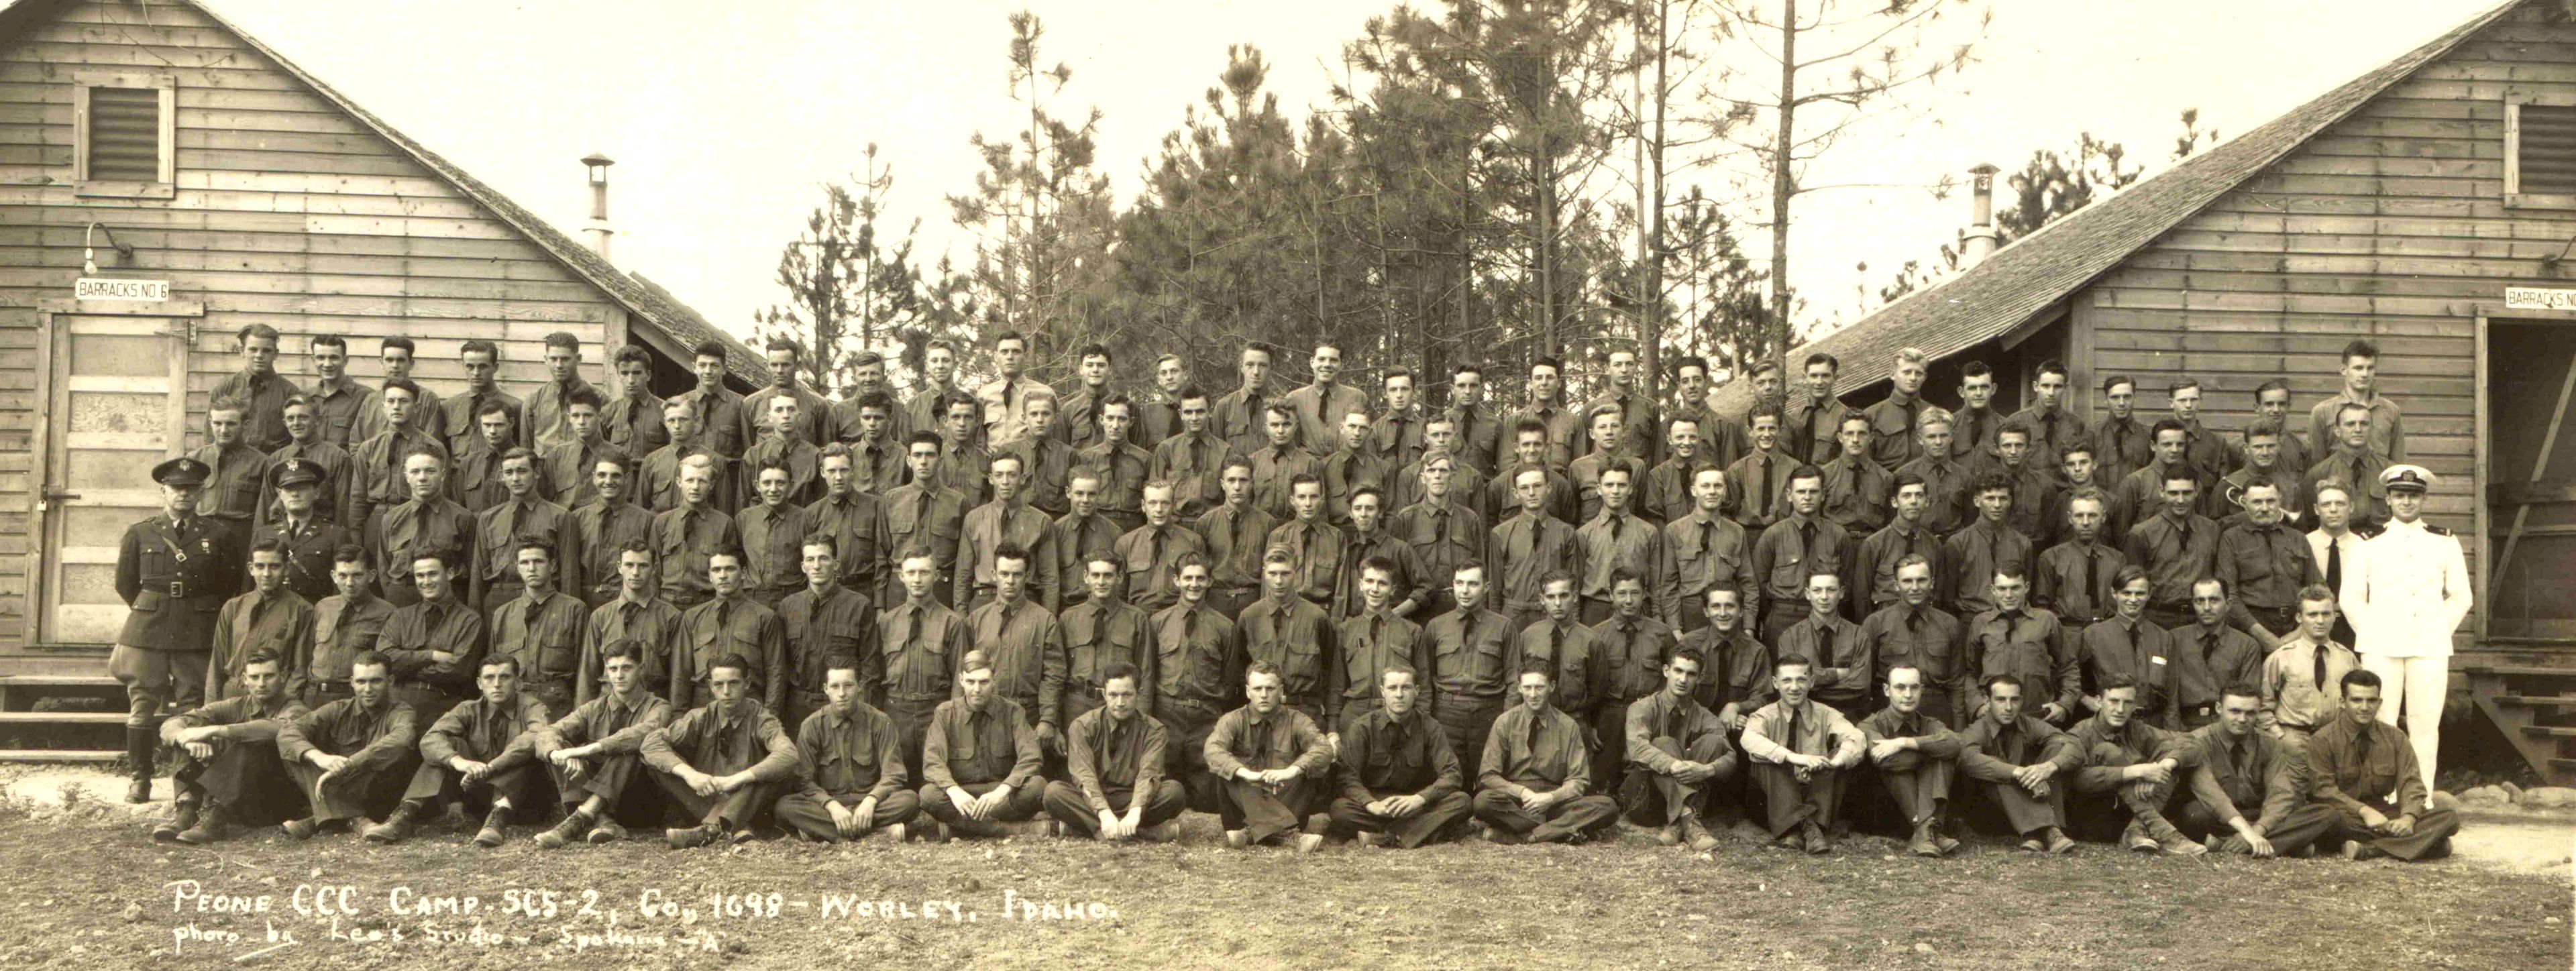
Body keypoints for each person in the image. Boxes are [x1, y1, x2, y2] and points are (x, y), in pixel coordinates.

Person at [2340, 464, 2471, 797]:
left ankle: (2420, 797)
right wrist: (2372, 632)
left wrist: (2438, 630)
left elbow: (2461, 595)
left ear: (2424, 498)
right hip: (2381, 645)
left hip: (2430, 646)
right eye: (2400, 495)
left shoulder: (2444, 541)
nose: (2407, 502)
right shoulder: (2369, 542)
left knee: (2425, 725)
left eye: (2414, 495)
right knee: (2379, 722)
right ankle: (2381, 795)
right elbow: (2351, 597)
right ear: (2388, 499)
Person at [370, 656, 554, 846]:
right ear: (479, 683)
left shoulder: (533, 707)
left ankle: (498, 818)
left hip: (525, 803)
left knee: (522, 752)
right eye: (489, 678)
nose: (497, 684)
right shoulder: (469, 709)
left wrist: (490, 768)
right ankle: (405, 814)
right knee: (447, 746)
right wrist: (460, 762)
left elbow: (535, 737)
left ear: (518, 682)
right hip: (480, 799)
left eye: (504, 677)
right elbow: (431, 739)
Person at [153, 650, 309, 844]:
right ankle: (188, 810)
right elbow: (174, 723)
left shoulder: (296, 709)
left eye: (269, 676)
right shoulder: (235, 705)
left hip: (275, 801)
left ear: (283, 677)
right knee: (186, 736)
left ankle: (215, 821)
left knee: (249, 743)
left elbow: (276, 728)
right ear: (245, 679)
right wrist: (187, 739)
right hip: (239, 798)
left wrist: (217, 730)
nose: (261, 684)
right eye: (255, 677)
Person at [644, 653, 799, 848]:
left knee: (773, 772)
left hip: (748, 801)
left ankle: (711, 830)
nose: (726, 691)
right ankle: (735, 827)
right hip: (707, 797)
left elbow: (788, 754)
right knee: (657, 764)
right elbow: (651, 743)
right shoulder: (701, 717)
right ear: (710, 686)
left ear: (747, 683)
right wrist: (690, 775)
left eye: (734, 683)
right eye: (719, 684)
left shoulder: (762, 719)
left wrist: (737, 779)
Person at [2307, 670, 2461, 861]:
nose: (2364, 707)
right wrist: (2364, 811)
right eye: (2356, 700)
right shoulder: (2323, 739)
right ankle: (2426, 845)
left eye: (2371, 701)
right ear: (2342, 702)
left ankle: (2371, 850)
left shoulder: (2395, 738)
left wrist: (2408, 818)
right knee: (2326, 818)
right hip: (2347, 815)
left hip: (2384, 812)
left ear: (2379, 703)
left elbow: (2411, 782)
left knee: (2448, 816)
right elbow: (2323, 791)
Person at [533, 640, 672, 848]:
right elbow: (548, 732)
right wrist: (559, 754)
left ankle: (582, 817)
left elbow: (644, 731)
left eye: (627, 668)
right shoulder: (593, 708)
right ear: (606, 672)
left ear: (641, 669)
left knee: (630, 747)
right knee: (559, 747)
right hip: (598, 793)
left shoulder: (659, 706)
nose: (619, 675)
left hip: (638, 802)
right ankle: (602, 820)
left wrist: (589, 749)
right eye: (613, 669)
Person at [2182, 684, 2339, 857]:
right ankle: (2285, 845)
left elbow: (2281, 794)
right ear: (2219, 709)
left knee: (2326, 813)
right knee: (2193, 814)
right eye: (2235, 711)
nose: (2242, 719)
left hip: (2259, 815)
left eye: (2250, 713)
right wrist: (2246, 830)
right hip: (2220, 817)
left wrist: (2255, 831)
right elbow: (2212, 795)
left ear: (2258, 713)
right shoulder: (2198, 742)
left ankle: (2231, 845)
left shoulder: (2270, 743)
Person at [1324, 665, 1472, 848]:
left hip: (1415, 805)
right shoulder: (1362, 727)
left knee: (1462, 801)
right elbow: (1348, 777)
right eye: (1393, 688)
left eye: (1406, 687)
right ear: (1382, 692)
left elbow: (1452, 774)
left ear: (1416, 691)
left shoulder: (1430, 727)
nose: (1399, 694)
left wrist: (1419, 799)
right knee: (1339, 809)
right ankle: (1415, 832)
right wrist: (1371, 804)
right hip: (1378, 803)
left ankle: (1385, 837)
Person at [276, 652, 419, 840]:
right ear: (352, 682)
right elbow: (288, 733)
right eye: (361, 682)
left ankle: (323, 818)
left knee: (382, 760)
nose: (367, 689)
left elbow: (402, 739)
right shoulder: (338, 709)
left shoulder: (401, 711)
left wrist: (351, 764)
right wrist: (320, 757)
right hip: (343, 790)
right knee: (296, 753)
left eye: (376, 681)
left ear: (390, 681)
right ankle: (355, 820)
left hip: (380, 795)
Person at [773, 659, 917, 844]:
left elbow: (894, 774)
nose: (842, 694)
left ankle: (824, 832)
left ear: (860, 687)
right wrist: (831, 805)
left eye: (848, 685)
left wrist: (871, 801)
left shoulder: (881, 722)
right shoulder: (812, 726)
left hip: (871, 804)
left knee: (910, 800)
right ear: (826, 689)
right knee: (785, 807)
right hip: (830, 804)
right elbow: (804, 780)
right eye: (835, 686)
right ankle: (879, 831)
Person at [1473, 664, 1619, 844]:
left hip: (1555, 801)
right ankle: (1558, 830)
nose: (1533, 695)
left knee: (1608, 807)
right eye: (1527, 687)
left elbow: (1579, 780)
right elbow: (1488, 775)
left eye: (1539, 687)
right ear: (1519, 688)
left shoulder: (1568, 726)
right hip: (1516, 802)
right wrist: (1522, 792)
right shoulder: (1505, 722)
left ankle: (1527, 836)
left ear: (1551, 686)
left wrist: (1551, 798)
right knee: (1483, 802)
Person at [1741, 654, 1867, 853]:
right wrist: (1794, 757)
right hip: (1771, 798)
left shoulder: (1826, 713)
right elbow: (1749, 739)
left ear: (1812, 682)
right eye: (1787, 680)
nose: (1794, 687)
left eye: (1801, 680)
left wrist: (1833, 763)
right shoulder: (1763, 715)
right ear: (1775, 683)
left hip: (1814, 794)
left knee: (1838, 756)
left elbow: (1856, 737)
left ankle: (1795, 831)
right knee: (1767, 758)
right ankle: (1808, 826)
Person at [2065, 677, 2206, 854]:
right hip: (2094, 818)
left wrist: (2163, 766)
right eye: (2114, 701)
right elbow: (2076, 779)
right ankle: (2164, 834)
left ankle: (2135, 832)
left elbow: (2192, 744)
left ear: (2134, 706)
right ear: (2099, 701)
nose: (2120, 710)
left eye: (2128, 703)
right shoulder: (2079, 734)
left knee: (2169, 767)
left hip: (2130, 815)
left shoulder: (2136, 729)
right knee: (2107, 750)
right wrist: (2133, 772)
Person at [1049, 663, 1186, 842]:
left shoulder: (1154, 730)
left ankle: (1090, 830)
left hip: (1133, 799)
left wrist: (1134, 813)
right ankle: (1143, 832)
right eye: (1114, 695)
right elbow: (1084, 776)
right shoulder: (1082, 726)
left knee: (1174, 792)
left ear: (1138, 694)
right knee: (1053, 793)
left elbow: (1148, 774)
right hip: (1093, 800)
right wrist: (1104, 814)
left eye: (1127, 695)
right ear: (1104, 695)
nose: (1120, 703)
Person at [917, 650, 1047, 839]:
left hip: (1001, 796)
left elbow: (1032, 757)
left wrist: (1001, 792)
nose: (977, 689)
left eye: (984, 682)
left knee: (1038, 786)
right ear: (961, 680)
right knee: (928, 795)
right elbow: (932, 762)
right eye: (971, 682)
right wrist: (955, 792)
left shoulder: (1013, 712)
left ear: (995, 679)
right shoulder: (945, 714)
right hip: (964, 795)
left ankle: (962, 827)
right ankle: (1013, 830)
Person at [1207, 663, 1336, 852]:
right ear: (1248, 691)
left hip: (1287, 800)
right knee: (1228, 769)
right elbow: (1212, 749)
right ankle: (1287, 835)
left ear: (1281, 691)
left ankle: (1251, 833)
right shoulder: (1232, 720)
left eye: (1270, 688)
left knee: (1310, 767)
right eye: (1258, 689)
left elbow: (1324, 748)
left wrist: (1291, 771)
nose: (1264, 694)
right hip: (1244, 806)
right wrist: (1248, 774)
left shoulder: (1298, 720)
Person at [1619, 649, 1737, 852]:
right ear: (1666, 671)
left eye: (1691, 674)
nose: (1683, 679)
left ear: (1699, 678)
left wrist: (1707, 770)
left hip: (1684, 794)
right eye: (1678, 671)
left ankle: (1678, 823)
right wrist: (1674, 765)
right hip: (1645, 797)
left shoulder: (1704, 716)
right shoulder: (1642, 707)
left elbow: (1731, 757)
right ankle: (1687, 818)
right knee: (1664, 743)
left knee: (1714, 742)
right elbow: (1638, 748)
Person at [1954, 675, 2080, 854]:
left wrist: (2048, 767)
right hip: (1991, 813)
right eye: (2000, 700)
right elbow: (1967, 759)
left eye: (2014, 700)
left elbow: (2073, 745)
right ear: (1987, 700)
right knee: (1996, 769)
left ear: (2021, 701)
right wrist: (2018, 772)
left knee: (2058, 747)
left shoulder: (2029, 724)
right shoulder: (1977, 729)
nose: (2008, 707)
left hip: (2031, 803)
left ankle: (2035, 833)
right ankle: (2049, 830)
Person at [969, 544, 1068, 766]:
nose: (1010, 581)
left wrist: (1048, 720)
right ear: (994, 575)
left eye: (1017, 574)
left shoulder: (1044, 620)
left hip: (1028, 715)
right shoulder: (976, 620)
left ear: (1027, 576)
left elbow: (1053, 675)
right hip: (987, 711)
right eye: (1004, 574)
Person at [881, 553, 972, 778]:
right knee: (898, 781)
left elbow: (960, 678)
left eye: (924, 572)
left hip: (935, 710)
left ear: (937, 576)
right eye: (911, 572)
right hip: (896, 711)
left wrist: (953, 719)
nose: (917, 579)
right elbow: (875, 673)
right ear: (901, 576)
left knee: (935, 778)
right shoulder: (886, 622)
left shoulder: (952, 623)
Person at [776, 534, 877, 730]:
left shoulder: (859, 605)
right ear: (803, 566)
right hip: (797, 707)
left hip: (842, 705)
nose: (816, 566)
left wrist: (861, 709)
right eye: (810, 560)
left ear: (836, 564)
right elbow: (780, 665)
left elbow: (870, 664)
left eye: (824, 558)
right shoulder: (788, 607)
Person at [377, 548, 486, 724]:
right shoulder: (401, 617)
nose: (426, 582)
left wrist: (405, 668)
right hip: (397, 705)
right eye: (420, 576)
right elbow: (384, 659)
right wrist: (431, 656)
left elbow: (458, 670)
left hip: (442, 708)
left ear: (450, 573)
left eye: (433, 574)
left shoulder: (470, 621)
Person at [1424, 565, 1515, 775]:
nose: (1464, 590)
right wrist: (1428, 719)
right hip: (1446, 714)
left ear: (1486, 587)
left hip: (1489, 714)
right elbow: (1426, 677)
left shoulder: (1504, 627)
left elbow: (1513, 678)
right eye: (1459, 583)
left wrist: (1507, 720)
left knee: (1488, 778)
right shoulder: (1435, 626)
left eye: (1473, 584)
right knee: (1450, 779)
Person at [671, 549, 787, 713]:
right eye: (716, 570)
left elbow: (776, 672)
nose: (723, 575)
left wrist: (769, 717)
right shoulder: (692, 617)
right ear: (710, 576)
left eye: (730, 569)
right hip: (703, 708)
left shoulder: (765, 617)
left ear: (744, 573)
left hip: (749, 707)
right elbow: (681, 673)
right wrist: (679, 715)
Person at [1963, 567, 2079, 727]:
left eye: (2015, 588)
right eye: (2002, 588)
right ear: (1993, 590)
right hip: (1992, 718)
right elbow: (1970, 672)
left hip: (2038, 717)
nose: (2009, 595)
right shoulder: (1980, 623)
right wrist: (1977, 705)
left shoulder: (2047, 620)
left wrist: (2064, 704)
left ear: (2027, 587)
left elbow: (2069, 667)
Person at [487, 538, 588, 719]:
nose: (531, 568)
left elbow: (585, 669)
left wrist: (579, 715)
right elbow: (492, 670)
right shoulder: (502, 615)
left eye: (538, 561)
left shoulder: (574, 610)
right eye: (525, 562)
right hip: (514, 709)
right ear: (517, 567)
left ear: (553, 565)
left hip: (558, 708)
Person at [1859, 555, 1964, 727]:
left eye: (1921, 580)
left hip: (1936, 711)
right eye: (1907, 581)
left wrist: (1959, 730)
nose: (1915, 588)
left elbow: (1957, 684)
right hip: (1889, 712)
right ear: (1896, 585)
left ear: (1932, 583)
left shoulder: (1949, 624)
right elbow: (1865, 683)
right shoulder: (1876, 623)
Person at [364, 445, 474, 609]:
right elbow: (383, 570)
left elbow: (472, 570)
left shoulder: (463, 518)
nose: (422, 478)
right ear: (406, 476)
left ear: (443, 475)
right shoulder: (391, 519)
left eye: (430, 471)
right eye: (415, 472)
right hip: (402, 601)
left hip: (448, 602)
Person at [205, 538, 314, 704]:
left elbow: (300, 670)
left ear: (287, 569)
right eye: (260, 566)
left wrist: (283, 709)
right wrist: (211, 707)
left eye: (275, 566)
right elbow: (216, 665)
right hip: (233, 696)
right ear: (251, 568)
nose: (266, 574)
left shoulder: (302, 610)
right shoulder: (233, 607)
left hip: (275, 699)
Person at [2214, 481, 2320, 650]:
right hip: (2249, 629)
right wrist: (2261, 635)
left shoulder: (2298, 538)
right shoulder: (2231, 539)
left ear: (2280, 501)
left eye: (2270, 501)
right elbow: (2228, 594)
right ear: (2244, 503)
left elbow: (2317, 589)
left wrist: (2300, 632)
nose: (2264, 508)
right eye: (2257, 502)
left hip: (2297, 626)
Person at [1750, 464, 1847, 645]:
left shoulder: (1838, 535)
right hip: (1783, 616)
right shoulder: (1773, 535)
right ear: (1789, 495)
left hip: (1827, 616)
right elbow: (1759, 584)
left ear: (1823, 495)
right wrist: (1772, 616)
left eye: (1814, 492)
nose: (1807, 497)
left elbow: (1846, 583)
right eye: (1801, 492)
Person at [472, 447, 578, 610]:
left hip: (545, 600)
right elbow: (478, 574)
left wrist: (569, 612)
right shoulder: (488, 519)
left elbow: (569, 574)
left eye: (522, 471)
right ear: (502, 476)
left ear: (536, 472)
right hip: (499, 599)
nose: (515, 478)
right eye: (509, 472)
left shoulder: (560, 517)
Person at [577, 542, 684, 703]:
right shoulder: (601, 616)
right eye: (629, 565)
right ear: (619, 567)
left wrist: (675, 714)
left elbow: (678, 675)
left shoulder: (670, 617)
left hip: (650, 708)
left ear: (654, 568)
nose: (635, 572)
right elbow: (588, 673)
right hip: (607, 708)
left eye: (643, 566)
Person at [1332, 557, 1427, 734]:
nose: (1374, 589)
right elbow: (1336, 685)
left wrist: (1419, 724)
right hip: (1355, 715)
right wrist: (1332, 729)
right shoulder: (1346, 630)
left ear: (1393, 589)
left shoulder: (1412, 631)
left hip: (1397, 715)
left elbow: (1424, 685)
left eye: (1382, 583)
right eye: (1369, 581)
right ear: (1360, 584)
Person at [956, 453, 1062, 612]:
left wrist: (1048, 620)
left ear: (1023, 478)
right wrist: (961, 617)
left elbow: (1050, 579)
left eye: (1012, 475)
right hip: (984, 599)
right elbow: (963, 577)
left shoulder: (1041, 521)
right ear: (991, 479)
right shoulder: (974, 519)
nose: (1005, 482)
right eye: (999, 475)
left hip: (1026, 601)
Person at [2261, 585, 2361, 749]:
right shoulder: (2281, 658)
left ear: (2335, 616)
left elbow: (2358, 701)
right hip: (2295, 741)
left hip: (2338, 741)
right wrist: (2280, 737)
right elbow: (2263, 706)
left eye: (2326, 614)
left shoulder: (2347, 658)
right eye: (2313, 615)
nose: (2320, 621)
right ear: (2299, 618)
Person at [2121, 462, 2219, 630]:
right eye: (2174, 493)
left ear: (2197, 491)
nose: (2180, 500)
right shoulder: (2142, 533)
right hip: (2157, 620)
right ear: (2162, 491)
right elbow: (2133, 587)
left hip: (2201, 619)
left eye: (2187, 493)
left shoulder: (2212, 530)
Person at [347, 382, 449, 536]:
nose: (396, 407)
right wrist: (355, 535)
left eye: (403, 401)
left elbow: (444, 494)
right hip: (377, 521)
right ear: (383, 407)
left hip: (419, 518)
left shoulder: (434, 447)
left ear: (416, 408)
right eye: (391, 401)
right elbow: (358, 497)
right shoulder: (368, 448)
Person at [1658, 468, 1751, 634]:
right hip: (1690, 615)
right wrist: (1675, 628)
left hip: (1727, 613)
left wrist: (1749, 626)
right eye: (1705, 486)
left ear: (1725, 491)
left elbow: (1748, 582)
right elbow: (1668, 585)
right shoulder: (1674, 531)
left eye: (1718, 486)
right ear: (1694, 490)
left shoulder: (1736, 532)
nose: (1712, 492)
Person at [1487, 467, 1580, 632]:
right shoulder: (1501, 533)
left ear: (1549, 488)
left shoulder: (1565, 532)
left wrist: (1574, 622)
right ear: (1516, 493)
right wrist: (1495, 625)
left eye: (1537, 486)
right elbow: (1495, 586)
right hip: (1514, 616)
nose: (1531, 493)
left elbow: (1574, 582)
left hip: (1554, 614)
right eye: (1524, 488)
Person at [1394, 453, 1487, 620]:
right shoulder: (1406, 519)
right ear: (1423, 478)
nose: (1437, 476)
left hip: (1460, 609)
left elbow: (1480, 568)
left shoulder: (1470, 519)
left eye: (1443, 471)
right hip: (1419, 612)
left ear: (1452, 478)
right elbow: (1398, 575)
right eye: (1431, 471)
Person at [2077, 567, 2173, 728]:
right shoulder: (2093, 634)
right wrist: (2085, 699)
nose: (2133, 600)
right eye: (2127, 593)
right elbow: (2068, 674)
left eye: (2140, 594)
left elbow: (2172, 694)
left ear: (2149, 595)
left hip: (2153, 726)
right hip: (2110, 724)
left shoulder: (2163, 637)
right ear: (2114, 594)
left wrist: (2172, 735)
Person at [2167, 577, 2265, 732]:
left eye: (2214, 600)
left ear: (2228, 604)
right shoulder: (2173, 640)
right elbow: (2170, 697)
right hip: (2185, 727)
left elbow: (2248, 698)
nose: (2206, 607)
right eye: (2200, 601)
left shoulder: (2247, 645)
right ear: (2193, 604)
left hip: (2228, 727)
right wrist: (2174, 735)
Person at [883, 433, 969, 607]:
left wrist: (961, 605)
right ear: (908, 460)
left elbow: (964, 561)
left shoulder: (959, 503)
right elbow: (881, 556)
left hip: (942, 591)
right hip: (899, 592)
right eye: (917, 455)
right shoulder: (891, 500)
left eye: (930, 455)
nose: (923, 461)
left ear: (941, 461)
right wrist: (879, 606)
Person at [1773, 571, 1868, 721]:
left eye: (1831, 590)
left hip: (1848, 714)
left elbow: (1859, 685)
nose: (1824, 597)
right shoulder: (1790, 637)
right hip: (1804, 716)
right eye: (1817, 590)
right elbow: (1791, 682)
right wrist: (1837, 675)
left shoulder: (1858, 635)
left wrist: (1811, 685)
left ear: (1841, 593)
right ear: (1808, 594)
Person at [648, 453, 738, 610]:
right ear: (679, 482)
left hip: (708, 605)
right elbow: (653, 572)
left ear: (712, 484)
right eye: (690, 480)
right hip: (668, 605)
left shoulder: (725, 524)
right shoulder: (662, 522)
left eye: (702, 481)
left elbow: (730, 572)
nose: (695, 487)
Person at [307, 545, 392, 709]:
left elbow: (386, 666)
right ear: (334, 576)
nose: (349, 583)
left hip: (355, 699)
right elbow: (307, 654)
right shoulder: (323, 607)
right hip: (314, 696)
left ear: (371, 575)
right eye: (343, 575)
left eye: (357, 575)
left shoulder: (387, 613)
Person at [1574, 467, 1661, 625]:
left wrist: (1657, 617)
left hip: (1637, 608)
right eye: (1609, 485)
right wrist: (1576, 619)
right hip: (1597, 609)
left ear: (1631, 489)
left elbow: (1656, 583)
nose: (1615, 491)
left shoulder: (1648, 532)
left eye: (1621, 485)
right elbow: (1577, 582)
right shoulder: (1584, 534)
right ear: (1599, 489)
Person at [568, 452, 655, 610]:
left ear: (627, 479)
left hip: (629, 601)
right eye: (602, 475)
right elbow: (570, 569)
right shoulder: (577, 518)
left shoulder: (646, 520)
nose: (608, 482)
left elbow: (652, 570)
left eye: (615, 476)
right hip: (585, 603)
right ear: (594, 478)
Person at [1940, 472, 2033, 618]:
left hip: (2012, 619)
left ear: (2009, 501)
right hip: (1970, 618)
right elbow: (1948, 596)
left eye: (2002, 499)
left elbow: (2028, 592)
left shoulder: (2023, 543)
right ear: (1977, 501)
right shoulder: (1957, 543)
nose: (1997, 505)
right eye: (1990, 498)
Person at [810, 443, 896, 602]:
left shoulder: (875, 506)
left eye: (844, 470)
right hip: (826, 594)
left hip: (865, 593)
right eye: (832, 471)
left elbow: (882, 558)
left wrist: (878, 605)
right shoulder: (813, 513)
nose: (839, 477)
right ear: (822, 473)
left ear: (853, 471)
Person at [191, 398, 273, 557]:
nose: (223, 430)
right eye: (217, 423)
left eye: (231, 424)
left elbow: (265, 512)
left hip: (240, 540)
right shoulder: (195, 459)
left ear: (245, 424)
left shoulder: (261, 462)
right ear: (210, 422)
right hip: (200, 536)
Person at [2032, 490, 2124, 631]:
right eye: (2079, 516)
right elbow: (2042, 609)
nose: (2086, 522)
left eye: (2092, 515)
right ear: (2070, 518)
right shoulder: (2051, 558)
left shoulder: (2117, 559)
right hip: (2068, 633)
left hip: (2109, 632)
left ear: (2103, 517)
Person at [263, 397, 356, 531]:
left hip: (323, 532)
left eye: (303, 418)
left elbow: (343, 507)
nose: (296, 423)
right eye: (290, 419)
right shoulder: (276, 458)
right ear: (285, 423)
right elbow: (266, 504)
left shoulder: (338, 457)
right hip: (282, 533)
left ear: (318, 420)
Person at [1116, 480, 1208, 614]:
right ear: (1143, 506)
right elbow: (1119, 592)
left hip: (1178, 618)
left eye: (1165, 503)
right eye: (1152, 503)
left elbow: (1201, 586)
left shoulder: (1193, 542)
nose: (1159, 509)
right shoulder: (1126, 544)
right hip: (1138, 617)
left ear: (1174, 506)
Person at [1855, 473, 1941, 614]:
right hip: (1886, 625)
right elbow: (1861, 597)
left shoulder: (1933, 544)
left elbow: (1938, 593)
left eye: (1919, 495)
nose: (1914, 501)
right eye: (1906, 496)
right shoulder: (1874, 544)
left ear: (1927, 501)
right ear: (1895, 502)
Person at [2308, 339, 2405, 463]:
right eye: (2358, 368)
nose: (2365, 374)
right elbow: (2317, 465)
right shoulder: (2322, 412)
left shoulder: (2391, 411)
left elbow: (2398, 464)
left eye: (2370, 368)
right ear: (2344, 370)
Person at [736, 460, 816, 608]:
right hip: (753, 600)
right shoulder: (744, 519)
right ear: (757, 485)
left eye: (780, 483)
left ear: (791, 486)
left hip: (793, 599)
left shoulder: (805, 518)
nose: (773, 489)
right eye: (767, 483)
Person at [209, 323, 299, 452]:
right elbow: (210, 435)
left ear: (276, 354)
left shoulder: (290, 392)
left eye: (266, 351)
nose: (259, 356)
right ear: (242, 351)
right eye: (253, 349)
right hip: (234, 464)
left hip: (273, 464)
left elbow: (297, 438)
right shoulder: (225, 389)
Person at [2307, 482, 2372, 650]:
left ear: (2351, 507)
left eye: (2340, 503)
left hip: (2355, 627)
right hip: (2314, 626)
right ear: (2316, 509)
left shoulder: (2366, 546)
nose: (2333, 509)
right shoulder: (2304, 544)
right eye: (2326, 504)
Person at [1080, 395, 1156, 536]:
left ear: (1131, 422)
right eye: (1110, 418)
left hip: (1134, 528)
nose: (1115, 426)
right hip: (1097, 528)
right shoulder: (1087, 458)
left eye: (1122, 419)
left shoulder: (1145, 459)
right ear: (1101, 420)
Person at [351, 337, 445, 446]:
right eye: (389, 360)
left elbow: (432, 443)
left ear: (412, 364)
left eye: (401, 360)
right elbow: (355, 443)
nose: (395, 366)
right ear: (381, 363)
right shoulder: (370, 400)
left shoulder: (427, 399)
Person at [1270, 474, 1344, 611]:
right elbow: (1269, 584)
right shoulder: (1279, 536)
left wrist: (1335, 623)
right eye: (1302, 497)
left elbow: (1342, 590)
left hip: (1324, 612)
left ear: (1322, 499)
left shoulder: (1337, 537)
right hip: (1288, 612)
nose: (1308, 503)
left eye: (1314, 497)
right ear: (1292, 500)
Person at [1892, 408, 1972, 537]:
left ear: (1952, 437)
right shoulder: (1903, 474)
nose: (1938, 442)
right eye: (1931, 437)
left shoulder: (1964, 476)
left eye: (1943, 436)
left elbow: (1970, 519)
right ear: (1920, 439)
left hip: (1954, 545)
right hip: (1916, 543)